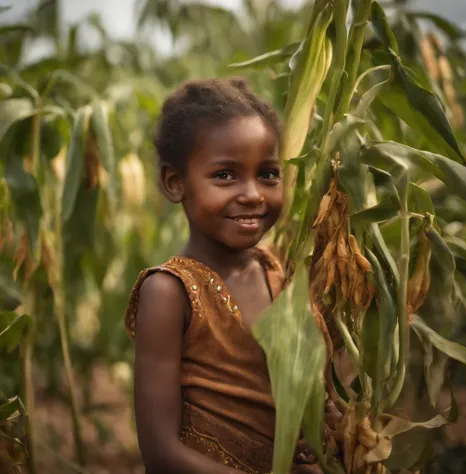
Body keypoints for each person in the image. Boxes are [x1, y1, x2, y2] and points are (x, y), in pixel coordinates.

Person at [124, 77, 326, 474]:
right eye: (225, 176)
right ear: (174, 182)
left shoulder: (278, 274)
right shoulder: (168, 291)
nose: (253, 193)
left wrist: (323, 424)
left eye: (268, 174)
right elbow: (161, 453)